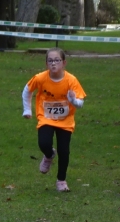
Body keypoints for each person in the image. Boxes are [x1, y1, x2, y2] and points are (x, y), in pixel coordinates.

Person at [22, 47, 86, 192]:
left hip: (65, 120)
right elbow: (27, 90)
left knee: (64, 151)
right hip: (46, 118)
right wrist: (27, 109)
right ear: (46, 64)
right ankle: (49, 155)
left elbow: (80, 103)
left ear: (64, 63)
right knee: (44, 143)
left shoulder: (71, 80)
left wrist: (73, 100)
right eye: (50, 60)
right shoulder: (40, 78)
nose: (53, 63)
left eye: (56, 60)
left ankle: (61, 181)